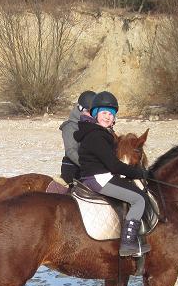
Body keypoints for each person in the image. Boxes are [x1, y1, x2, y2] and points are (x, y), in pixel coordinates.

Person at [74, 91, 150, 257]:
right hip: (98, 179)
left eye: (111, 114)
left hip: (100, 176)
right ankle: (128, 243)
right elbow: (114, 165)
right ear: (95, 115)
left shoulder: (99, 133)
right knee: (138, 199)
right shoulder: (96, 135)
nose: (107, 117)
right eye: (103, 113)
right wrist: (139, 173)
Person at [59, 90, 95, 183]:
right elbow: (71, 151)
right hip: (73, 169)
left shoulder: (96, 126)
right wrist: (88, 166)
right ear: (80, 109)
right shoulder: (70, 127)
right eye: (88, 111)